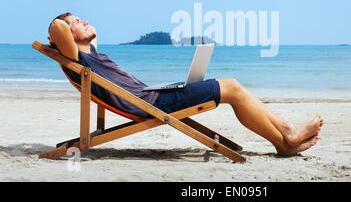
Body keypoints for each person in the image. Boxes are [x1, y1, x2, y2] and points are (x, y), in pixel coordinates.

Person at [48, 12, 324, 157]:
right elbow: (59, 29)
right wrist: (63, 23)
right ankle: (285, 136)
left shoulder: (90, 52)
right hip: (151, 104)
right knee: (233, 88)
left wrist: (78, 24)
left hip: (152, 96)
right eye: (75, 22)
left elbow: (92, 33)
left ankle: (285, 137)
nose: (83, 22)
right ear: (65, 36)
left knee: (230, 86)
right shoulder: (76, 57)